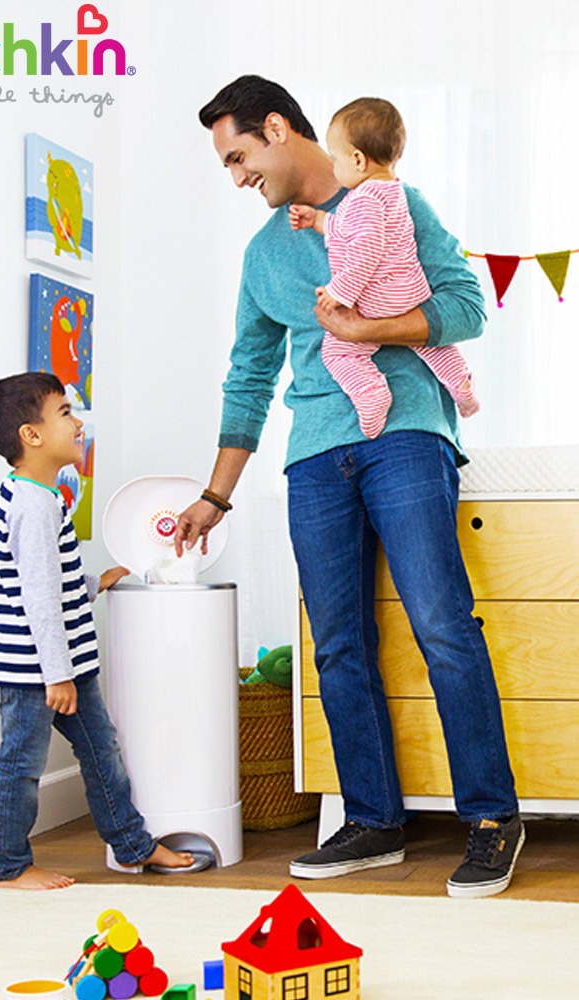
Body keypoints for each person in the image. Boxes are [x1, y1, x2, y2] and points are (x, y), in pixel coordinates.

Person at [175, 75, 524, 898]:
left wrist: (369, 329)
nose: (236, 178)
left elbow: (467, 304)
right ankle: (372, 819)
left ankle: (489, 819)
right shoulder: (265, 254)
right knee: (336, 645)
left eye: (238, 157)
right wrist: (215, 496)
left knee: (443, 624)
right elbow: (249, 376)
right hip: (315, 459)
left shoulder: (393, 203)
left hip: (405, 436)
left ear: (276, 129)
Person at [0, 371, 197, 888]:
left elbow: (51, 576)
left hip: (64, 661)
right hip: (37, 667)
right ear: (31, 436)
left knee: (101, 750)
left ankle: (133, 845)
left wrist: (95, 582)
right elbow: (37, 597)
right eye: (65, 414)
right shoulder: (32, 504)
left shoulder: (42, 496)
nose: (78, 424)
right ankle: (9, 866)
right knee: (22, 764)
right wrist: (56, 675)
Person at [289, 97, 478, 439]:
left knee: (337, 350)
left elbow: (364, 251)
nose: (333, 166)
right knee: (430, 345)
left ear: (357, 159)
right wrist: (316, 219)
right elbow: (350, 230)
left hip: (379, 298)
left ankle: (372, 393)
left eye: (335, 158)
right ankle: (459, 381)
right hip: (412, 292)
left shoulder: (362, 198)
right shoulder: (394, 193)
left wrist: (338, 292)